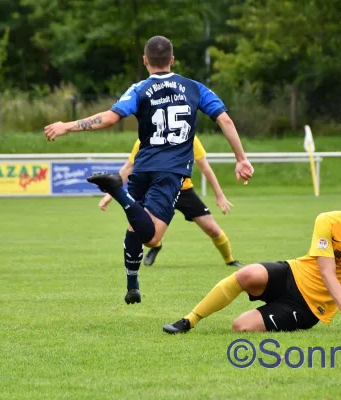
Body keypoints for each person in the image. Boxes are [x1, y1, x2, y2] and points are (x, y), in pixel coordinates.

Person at [45, 35, 254, 305]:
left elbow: (109, 118)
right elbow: (224, 118)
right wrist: (241, 158)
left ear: (145, 60)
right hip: (171, 172)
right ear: (172, 60)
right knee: (152, 236)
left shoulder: (139, 89)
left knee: (135, 228)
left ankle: (132, 286)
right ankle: (117, 191)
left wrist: (67, 125)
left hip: (142, 167)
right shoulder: (194, 87)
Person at [163, 174, 341, 335]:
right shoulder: (327, 220)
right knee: (247, 273)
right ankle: (189, 320)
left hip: (309, 307)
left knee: (241, 326)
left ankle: (275, 312)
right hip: (292, 272)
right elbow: (327, 272)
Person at [98, 136, 243, 267]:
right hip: (158, 192)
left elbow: (205, 167)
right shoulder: (145, 137)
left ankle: (230, 260)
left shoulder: (189, 137)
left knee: (212, 229)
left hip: (184, 191)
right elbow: (129, 167)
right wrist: (109, 195)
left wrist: (219, 194)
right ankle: (157, 245)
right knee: (145, 233)